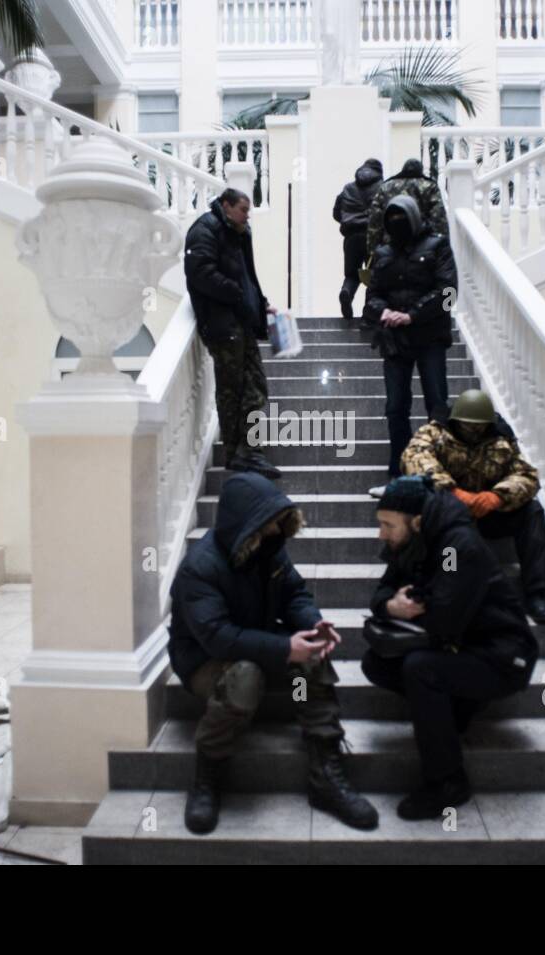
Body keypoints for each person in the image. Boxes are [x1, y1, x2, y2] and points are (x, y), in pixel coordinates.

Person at [168, 471, 379, 834]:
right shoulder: (199, 569)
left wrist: (313, 626)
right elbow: (218, 637)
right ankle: (208, 775)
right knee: (246, 677)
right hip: (206, 658)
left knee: (310, 656)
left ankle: (324, 771)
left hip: (254, 635)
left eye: (278, 523)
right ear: (244, 524)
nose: (276, 531)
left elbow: (294, 593)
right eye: (267, 524)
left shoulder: (267, 547)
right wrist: (284, 647)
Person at [362, 476, 539, 820]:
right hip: (464, 646)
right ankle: (457, 709)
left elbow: (443, 622)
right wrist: (391, 607)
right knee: (376, 662)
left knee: (420, 668)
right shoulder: (412, 541)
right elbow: (381, 594)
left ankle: (447, 782)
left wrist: (417, 600)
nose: (382, 534)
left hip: (503, 656)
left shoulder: (455, 549)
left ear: (416, 520)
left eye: (387, 525)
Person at [401, 390, 545, 624]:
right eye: (468, 426)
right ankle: (437, 590)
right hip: (448, 515)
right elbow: (413, 458)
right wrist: (452, 492)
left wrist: (498, 497)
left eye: (479, 426)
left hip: (487, 514)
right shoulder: (433, 432)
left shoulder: (501, 439)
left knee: (532, 511)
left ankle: (537, 594)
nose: (474, 431)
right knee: (423, 515)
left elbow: (527, 475)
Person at [183, 187, 281, 480]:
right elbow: (200, 273)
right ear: (226, 206)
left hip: (241, 322)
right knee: (233, 390)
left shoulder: (236, 231)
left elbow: (246, 275)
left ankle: (248, 452)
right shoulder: (205, 230)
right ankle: (240, 453)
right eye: (243, 209)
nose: (247, 215)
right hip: (223, 325)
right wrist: (237, 294)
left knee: (254, 387)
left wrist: (258, 304)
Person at [363, 194, 456, 487]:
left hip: (429, 337)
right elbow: (371, 297)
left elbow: (449, 294)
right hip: (395, 340)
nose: (396, 225)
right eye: (391, 220)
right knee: (396, 406)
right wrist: (384, 311)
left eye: (401, 219)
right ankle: (399, 472)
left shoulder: (438, 245)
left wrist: (412, 315)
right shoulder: (382, 253)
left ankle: (436, 469)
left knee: (437, 404)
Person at [365, 157, 450, 260]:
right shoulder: (430, 186)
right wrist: (441, 246)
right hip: (422, 248)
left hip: (390, 246)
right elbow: (438, 218)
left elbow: (375, 220)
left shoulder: (386, 187)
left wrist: (372, 249)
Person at [332, 158, 384, 321]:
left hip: (351, 236)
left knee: (352, 274)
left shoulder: (347, 188)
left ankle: (346, 292)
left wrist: (349, 221)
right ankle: (369, 311)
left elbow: (336, 212)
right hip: (373, 236)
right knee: (375, 275)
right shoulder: (382, 187)